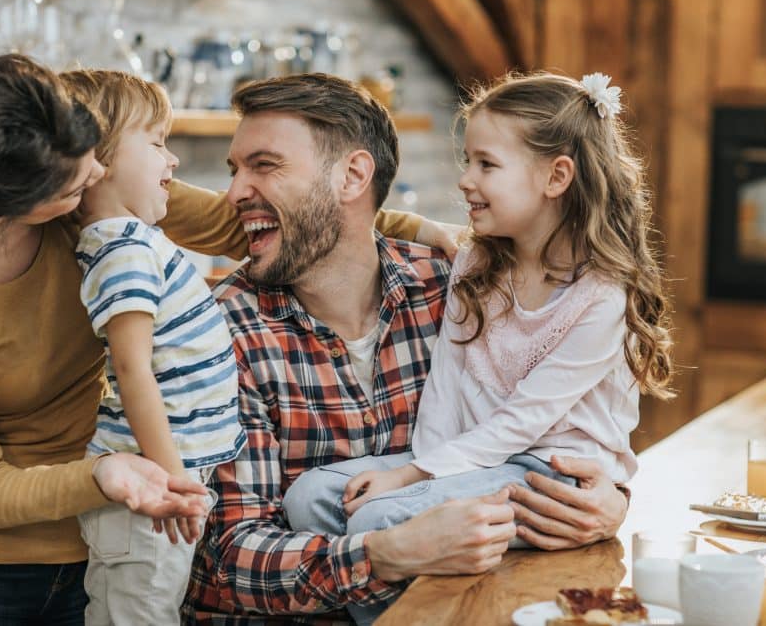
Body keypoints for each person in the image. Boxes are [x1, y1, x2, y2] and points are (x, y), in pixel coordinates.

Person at [0, 56, 440, 625]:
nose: (96, 173)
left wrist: (429, 232)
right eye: (80, 175)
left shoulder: (85, 207)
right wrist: (111, 476)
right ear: (15, 202)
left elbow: (279, 218)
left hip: (104, 543)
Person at [182, 72, 634, 625]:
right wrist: (386, 555)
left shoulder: (448, 281)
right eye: (235, 170)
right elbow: (226, 559)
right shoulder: (219, 329)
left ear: (353, 175)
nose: (233, 193)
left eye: (265, 165)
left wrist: (609, 501)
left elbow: (567, 424)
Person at [60, 69, 246, 625]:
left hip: (158, 485)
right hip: (150, 493)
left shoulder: (133, 238)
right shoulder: (121, 250)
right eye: (158, 142)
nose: (173, 161)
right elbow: (131, 368)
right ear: (99, 157)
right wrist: (173, 481)